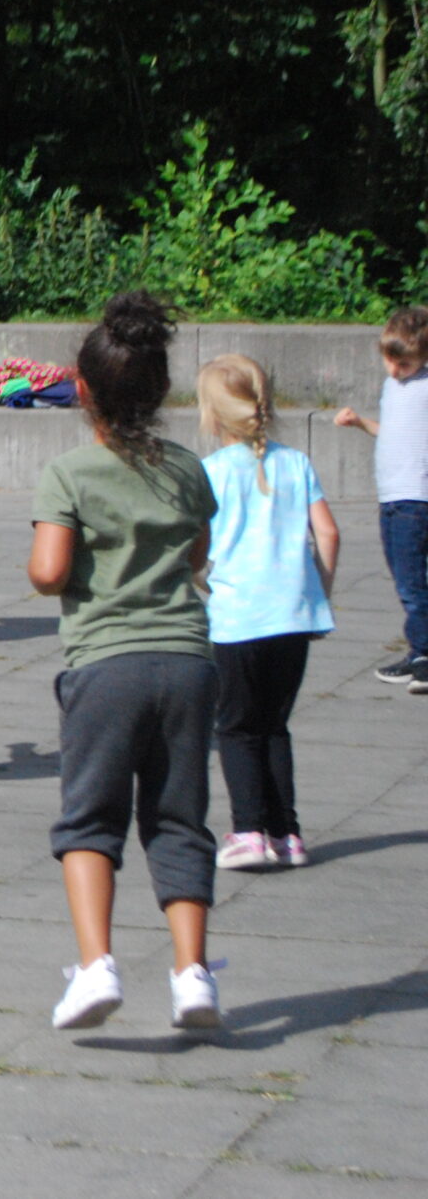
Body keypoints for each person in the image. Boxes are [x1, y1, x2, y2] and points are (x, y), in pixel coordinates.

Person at [27, 292, 223, 1033]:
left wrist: (65, 566)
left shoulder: (70, 473)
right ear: (161, 391)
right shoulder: (188, 469)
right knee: (179, 819)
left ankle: (96, 966)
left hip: (106, 664)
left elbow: (49, 571)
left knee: (90, 820)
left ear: (81, 390)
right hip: (189, 661)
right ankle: (192, 973)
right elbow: (199, 556)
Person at [201, 355, 337, 870]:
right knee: (275, 726)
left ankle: (249, 829)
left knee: (235, 727)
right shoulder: (296, 463)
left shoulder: (211, 472)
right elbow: (328, 532)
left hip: (238, 618)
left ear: (212, 416)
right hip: (292, 616)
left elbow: (198, 546)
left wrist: (201, 581)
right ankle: (288, 834)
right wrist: (316, 593)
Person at [331, 306, 428, 690]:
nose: (394, 369)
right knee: (404, 578)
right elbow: (391, 432)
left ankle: (423, 653)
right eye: (389, 360)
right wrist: (360, 424)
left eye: (403, 363)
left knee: (411, 582)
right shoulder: (395, 387)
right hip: (391, 496)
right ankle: (418, 650)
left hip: (415, 497)